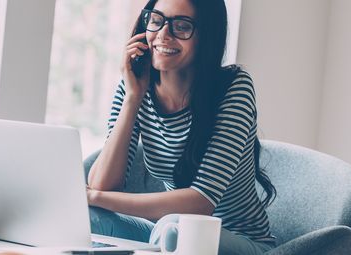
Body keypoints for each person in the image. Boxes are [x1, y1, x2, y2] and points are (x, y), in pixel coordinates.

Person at [86, 0, 277, 254]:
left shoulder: (233, 88)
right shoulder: (135, 83)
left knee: (178, 226)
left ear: (206, 36)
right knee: (88, 216)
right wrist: (133, 98)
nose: (164, 35)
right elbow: (101, 185)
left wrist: (95, 197)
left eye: (181, 26)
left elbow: (200, 203)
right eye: (156, 21)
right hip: (168, 234)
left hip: (238, 240)